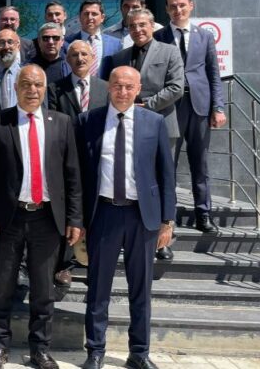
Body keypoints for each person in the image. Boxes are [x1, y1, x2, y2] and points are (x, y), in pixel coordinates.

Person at [0, 65, 83, 369]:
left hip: (47, 218)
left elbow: (73, 175)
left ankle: (40, 349)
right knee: (3, 286)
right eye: (26, 84)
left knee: (43, 289)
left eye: (38, 84)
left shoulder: (61, 123)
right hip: (8, 218)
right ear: (16, 88)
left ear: (44, 88)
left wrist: (74, 219)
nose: (32, 90)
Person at [77, 66, 176, 369]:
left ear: (138, 89)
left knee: (141, 289)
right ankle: (95, 351)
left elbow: (166, 174)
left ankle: (139, 353)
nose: (122, 92)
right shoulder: (89, 121)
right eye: (117, 86)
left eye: (129, 87)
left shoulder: (154, 122)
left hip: (142, 217)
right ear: (108, 87)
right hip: (103, 215)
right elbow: (78, 175)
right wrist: (78, 220)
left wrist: (168, 221)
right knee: (98, 288)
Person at [107, 8, 183, 261]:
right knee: (134, 177)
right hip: (125, 126)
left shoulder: (170, 51)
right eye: (132, 26)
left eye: (142, 25)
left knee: (163, 179)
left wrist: (146, 106)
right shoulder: (120, 56)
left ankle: (164, 239)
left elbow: (176, 87)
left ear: (152, 26)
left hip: (161, 124)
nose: (137, 30)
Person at [155, 0, 226, 234]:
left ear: (191, 5)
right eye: (173, 6)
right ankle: (168, 217)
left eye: (182, 5)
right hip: (170, 108)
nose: (178, 10)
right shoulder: (159, 36)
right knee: (168, 164)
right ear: (167, 9)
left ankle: (203, 214)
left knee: (200, 164)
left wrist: (218, 107)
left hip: (199, 107)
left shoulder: (204, 36)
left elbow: (214, 74)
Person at [45, 39, 109, 286]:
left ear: (92, 58)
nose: (80, 58)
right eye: (74, 55)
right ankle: (64, 264)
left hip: (98, 161)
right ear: (67, 59)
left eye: (84, 54)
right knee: (67, 213)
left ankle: (95, 262)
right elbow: (52, 123)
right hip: (66, 161)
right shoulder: (55, 89)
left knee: (96, 213)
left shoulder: (105, 88)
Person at [65, 0, 122, 79]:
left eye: (94, 14)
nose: (90, 17)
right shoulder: (68, 43)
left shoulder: (116, 44)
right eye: (86, 14)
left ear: (102, 18)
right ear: (80, 17)